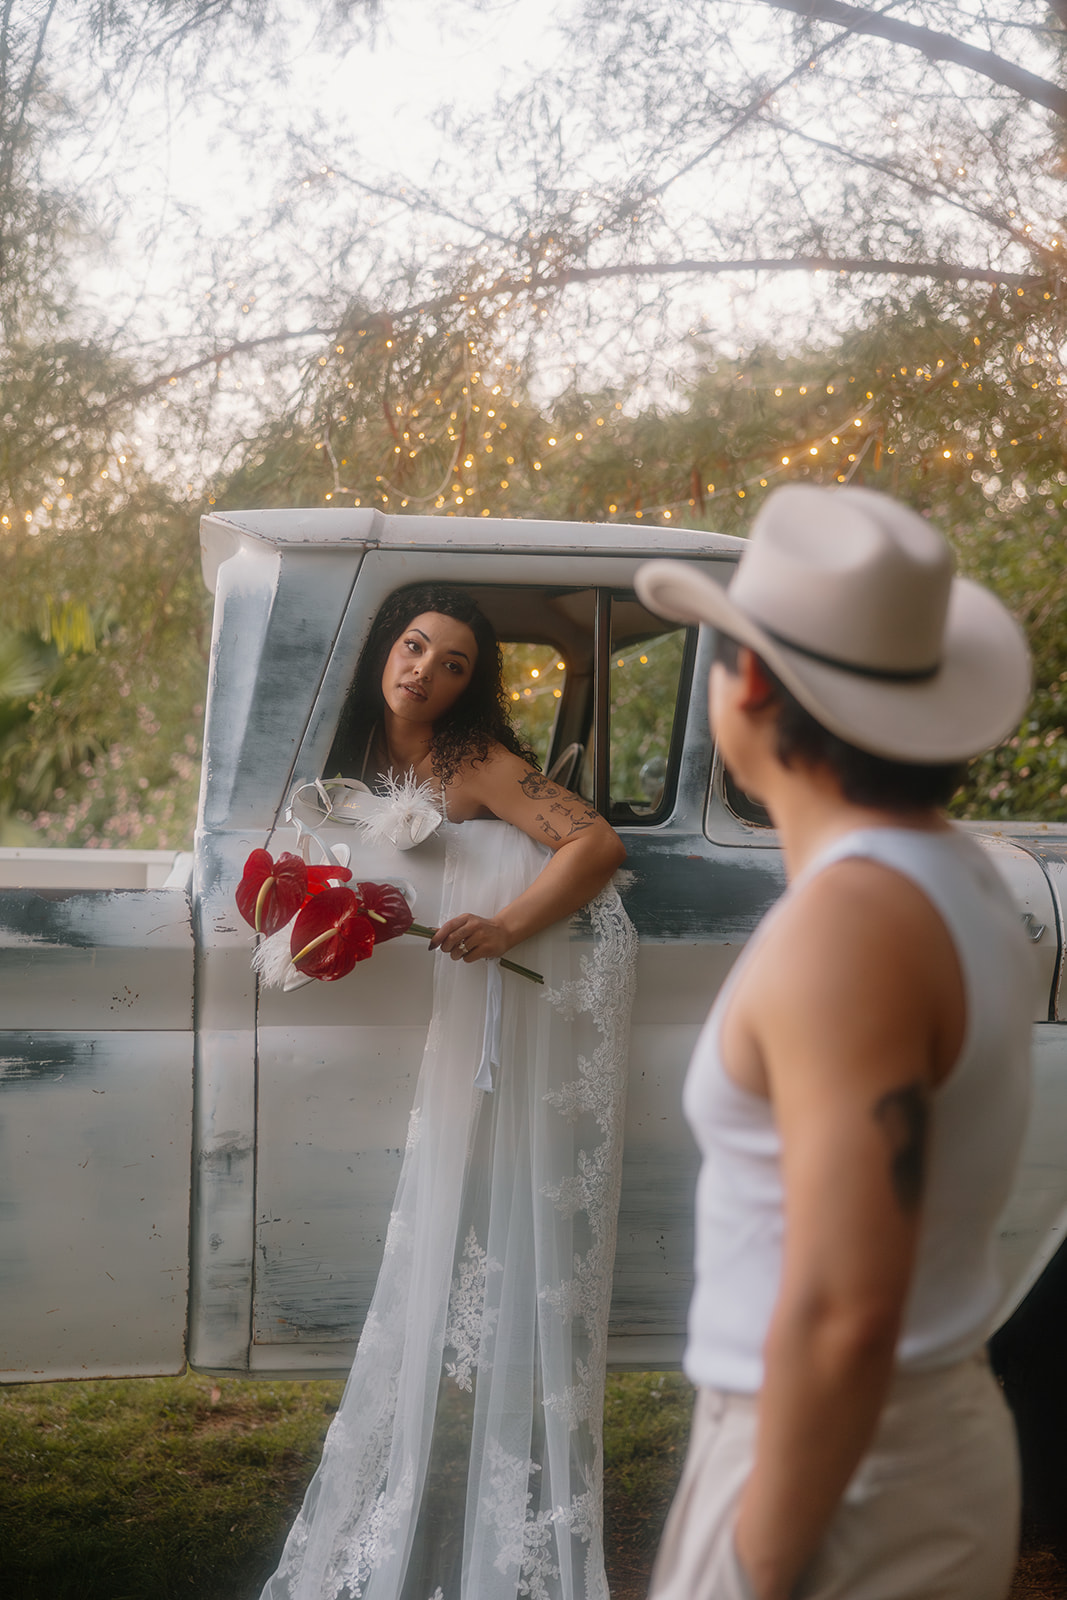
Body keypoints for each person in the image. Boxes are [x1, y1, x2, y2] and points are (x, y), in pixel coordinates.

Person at [635, 484, 1035, 1600]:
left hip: (829, 1472)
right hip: (906, 1437)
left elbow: (846, 1308)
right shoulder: (961, 874)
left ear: (749, 680)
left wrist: (760, 1555)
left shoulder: (847, 929)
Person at [259, 584, 633, 1600]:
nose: (423, 669)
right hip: (403, 1027)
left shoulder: (473, 759)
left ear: (473, 685)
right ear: (386, 646)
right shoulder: (355, 753)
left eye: (453, 661)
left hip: (490, 1021)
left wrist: (507, 926)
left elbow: (597, 843)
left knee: (469, 1244)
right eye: (414, 645)